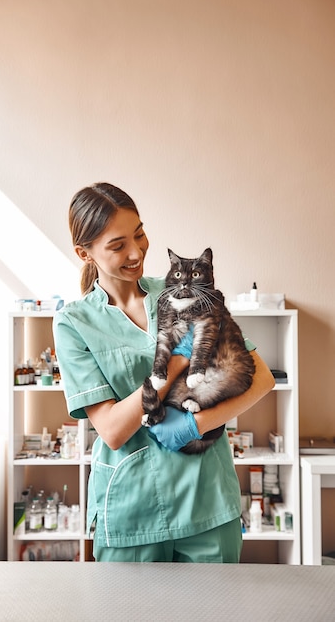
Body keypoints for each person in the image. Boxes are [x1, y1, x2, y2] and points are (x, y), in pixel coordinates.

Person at [53, 182, 275, 563]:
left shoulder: (187, 292)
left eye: (139, 233)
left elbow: (261, 378)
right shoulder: (73, 322)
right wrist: (172, 367)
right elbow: (112, 428)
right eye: (117, 244)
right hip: (131, 509)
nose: (137, 251)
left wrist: (196, 425)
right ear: (84, 253)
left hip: (206, 499)